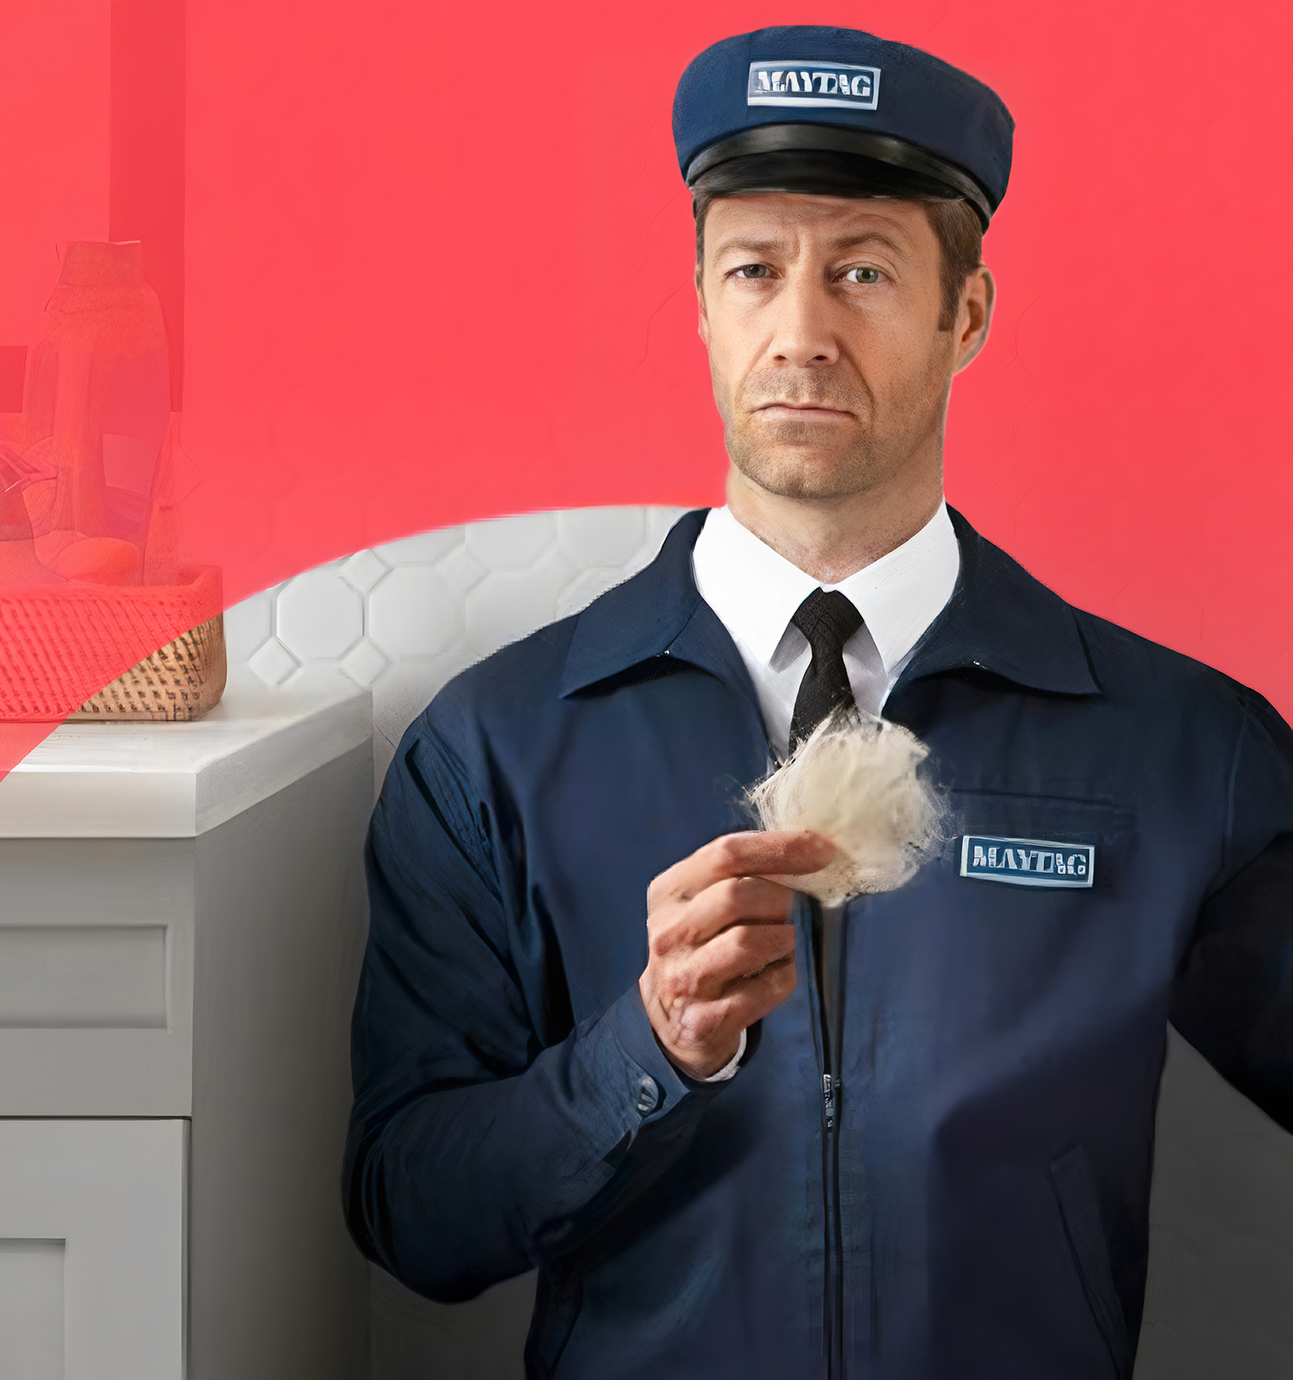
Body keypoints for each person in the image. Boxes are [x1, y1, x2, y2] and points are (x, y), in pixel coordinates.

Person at [343, 25, 1292, 1380]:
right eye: (753, 270)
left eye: (862, 270)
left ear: (967, 314)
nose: (801, 333)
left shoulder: (1185, 750)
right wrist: (648, 1048)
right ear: (700, 305)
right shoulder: (496, 746)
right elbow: (413, 1219)